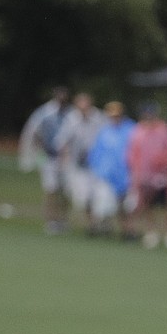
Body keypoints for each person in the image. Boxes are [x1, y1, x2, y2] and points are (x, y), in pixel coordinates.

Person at [126, 101, 167, 250]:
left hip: (162, 174)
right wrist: (135, 171)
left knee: (166, 205)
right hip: (144, 174)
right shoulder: (138, 131)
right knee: (148, 204)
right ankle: (151, 232)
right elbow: (132, 153)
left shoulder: (164, 130)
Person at [19, 87, 74, 235]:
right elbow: (33, 133)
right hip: (49, 157)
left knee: (66, 191)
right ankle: (51, 221)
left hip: (67, 159)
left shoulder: (71, 114)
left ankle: (63, 220)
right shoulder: (45, 113)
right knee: (51, 190)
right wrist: (37, 155)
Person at [56, 92, 107, 233]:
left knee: (100, 195)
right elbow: (62, 141)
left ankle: (101, 223)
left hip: (97, 164)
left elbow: (107, 138)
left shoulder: (99, 118)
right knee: (83, 197)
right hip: (78, 165)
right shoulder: (71, 119)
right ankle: (92, 224)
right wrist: (64, 159)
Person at [87, 101, 137, 238]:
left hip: (127, 173)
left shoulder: (131, 129)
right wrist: (96, 169)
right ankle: (100, 228)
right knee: (103, 203)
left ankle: (128, 230)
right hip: (106, 174)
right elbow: (97, 152)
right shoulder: (104, 131)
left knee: (127, 206)